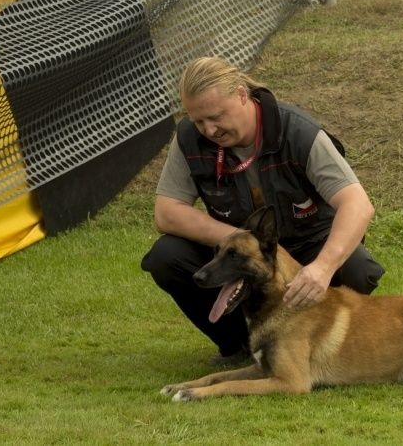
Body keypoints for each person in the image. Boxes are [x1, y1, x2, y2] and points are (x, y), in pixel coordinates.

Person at [141, 57, 385, 366]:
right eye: (199, 121)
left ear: (242, 95)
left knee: (357, 267)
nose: (209, 129)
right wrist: (241, 241)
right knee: (167, 256)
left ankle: (324, 345)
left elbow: (357, 204)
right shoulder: (189, 138)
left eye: (216, 117)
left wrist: (322, 268)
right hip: (241, 250)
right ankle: (239, 346)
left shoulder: (299, 132)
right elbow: (167, 213)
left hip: (307, 246)